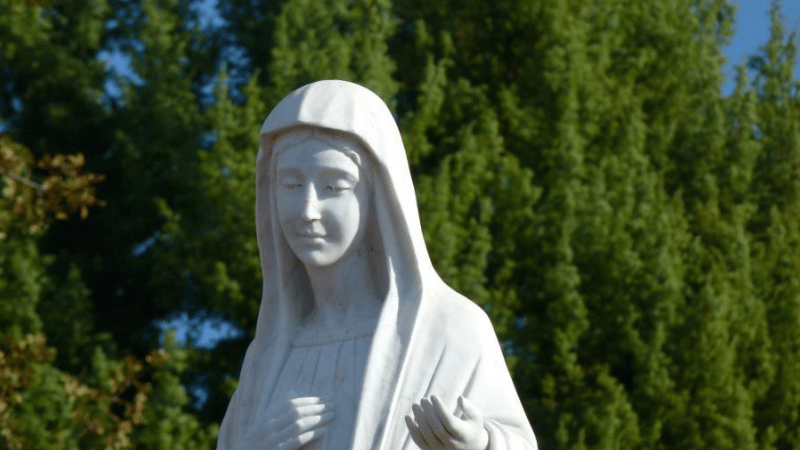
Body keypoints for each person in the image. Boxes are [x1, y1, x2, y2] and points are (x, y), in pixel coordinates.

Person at [216, 80, 537, 450]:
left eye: (333, 186)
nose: (307, 210)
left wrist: (478, 444)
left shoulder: (449, 330)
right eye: (290, 185)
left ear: (376, 193)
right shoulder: (266, 357)